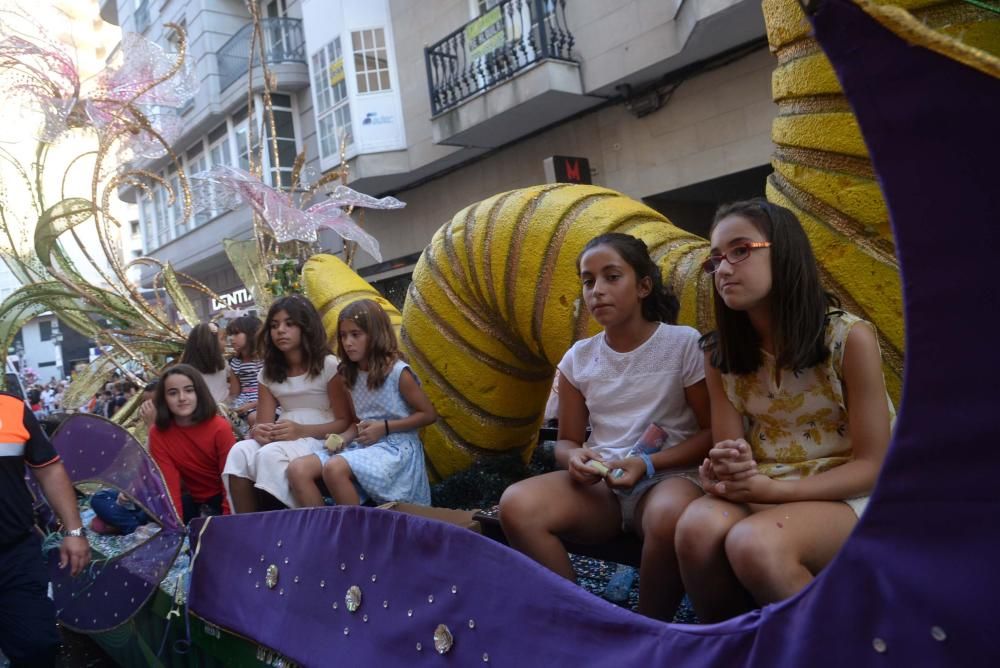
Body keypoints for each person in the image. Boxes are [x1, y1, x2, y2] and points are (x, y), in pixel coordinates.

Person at [674, 199, 894, 622]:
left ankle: (832, 650)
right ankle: (737, 649)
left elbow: (873, 465)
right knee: (694, 530)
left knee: (754, 544)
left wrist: (774, 493)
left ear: (786, 251)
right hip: (766, 485)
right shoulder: (720, 352)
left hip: (851, 492)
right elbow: (731, 445)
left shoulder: (847, 338)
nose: (723, 268)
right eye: (716, 259)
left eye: (740, 250)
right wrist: (724, 467)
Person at [498, 233, 712, 621]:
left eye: (612, 277)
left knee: (668, 517)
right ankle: (586, 623)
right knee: (516, 504)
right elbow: (566, 442)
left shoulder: (683, 344)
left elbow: (712, 434)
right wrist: (576, 457)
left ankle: (647, 633)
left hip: (668, 478)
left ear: (644, 285)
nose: (597, 290)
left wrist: (648, 466)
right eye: (588, 280)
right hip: (603, 489)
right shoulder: (579, 358)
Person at [291, 299, 435, 507]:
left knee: (334, 468)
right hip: (365, 444)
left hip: (397, 450)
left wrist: (385, 427)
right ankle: (325, 534)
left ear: (375, 335)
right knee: (298, 470)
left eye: (355, 334)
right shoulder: (349, 374)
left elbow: (429, 415)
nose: (348, 342)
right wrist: (342, 438)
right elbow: (358, 422)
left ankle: (356, 536)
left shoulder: (397, 373)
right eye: (343, 335)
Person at [223, 296, 352, 512]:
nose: (280, 330)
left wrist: (301, 431)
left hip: (320, 436)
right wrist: (260, 432)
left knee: (269, 455)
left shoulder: (328, 365)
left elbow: (344, 421)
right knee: (239, 451)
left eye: (289, 324)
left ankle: (305, 526)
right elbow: (262, 424)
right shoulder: (268, 373)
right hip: (284, 433)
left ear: (306, 327)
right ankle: (248, 528)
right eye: (274, 325)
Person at [0, 390, 90, 666]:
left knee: (37, 646)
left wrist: (73, 531)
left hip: (15, 555)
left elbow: (48, 469)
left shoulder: (11, 408)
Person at [148, 364, 236, 521]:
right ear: (164, 399)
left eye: (189, 390)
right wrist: (175, 528)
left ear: (199, 393)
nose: (182, 398)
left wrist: (227, 521)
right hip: (192, 501)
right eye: (173, 393)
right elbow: (169, 486)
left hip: (225, 499)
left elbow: (229, 481)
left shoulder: (220, 427)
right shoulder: (158, 433)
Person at [180, 323, 234, 405]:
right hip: (215, 409)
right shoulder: (187, 372)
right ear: (211, 343)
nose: (225, 343)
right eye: (223, 339)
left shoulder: (223, 363)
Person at [226, 315, 264, 428]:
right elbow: (234, 392)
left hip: (264, 402)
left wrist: (251, 405)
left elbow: (275, 392)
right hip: (242, 404)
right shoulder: (235, 362)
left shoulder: (264, 360)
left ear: (252, 334)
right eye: (230, 335)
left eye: (236, 334)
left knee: (254, 418)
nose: (231, 338)